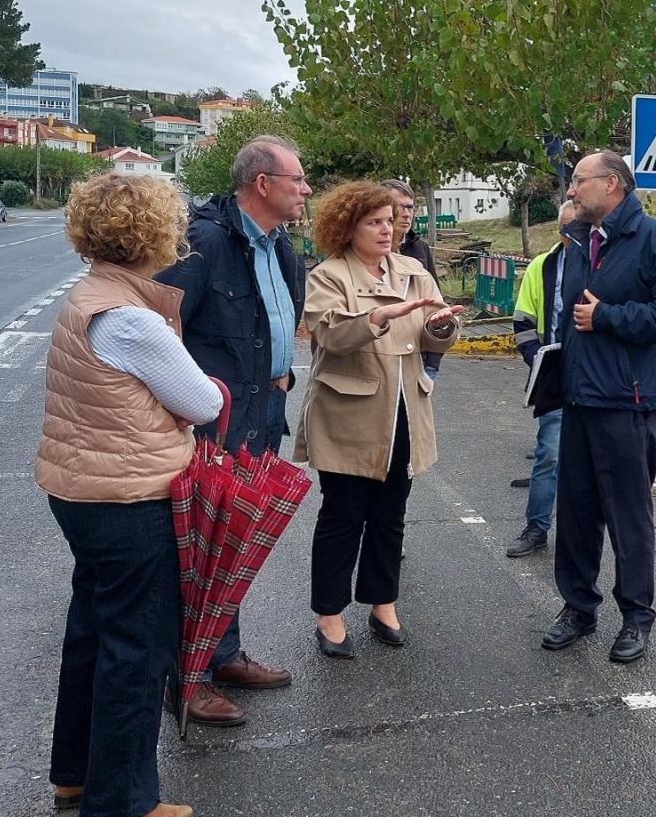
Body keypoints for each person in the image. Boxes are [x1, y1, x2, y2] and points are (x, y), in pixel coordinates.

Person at [36, 173, 221, 817]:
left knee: (92, 635)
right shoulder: (132, 320)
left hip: (84, 488)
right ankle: (123, 803)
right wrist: (216, 393)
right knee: (136, 652)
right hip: (130, 496)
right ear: (151, 232)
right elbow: (198, 400)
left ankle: (77, 776)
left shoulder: (90, 295)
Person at [153, 134, 309, 727]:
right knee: (198, 545)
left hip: (262, 412)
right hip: (212, 419)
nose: (305, 189)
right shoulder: (205, 242)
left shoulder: (284, 246)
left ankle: (222, 654)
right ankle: (186, 681)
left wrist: (281, 381)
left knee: (236, 538)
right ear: (262, 183)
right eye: (296, 179)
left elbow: (278, 322)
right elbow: (161, 332)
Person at [295, 181, 464, 657]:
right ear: (347, 227)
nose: (387, 229)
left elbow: (435, 338)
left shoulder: (413, 270)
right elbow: (329, 335)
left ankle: (382, 603)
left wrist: (442, 326)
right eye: (374, 222)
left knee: (391, 515)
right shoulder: (329, 274)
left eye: (390, 220)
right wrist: (380, 317)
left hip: (405, 411)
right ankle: (329, 614)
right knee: (342, 516)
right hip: (349, 413)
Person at [541, 151, 656, 664]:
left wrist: (608, 317)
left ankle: (636, 617)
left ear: (612, 184)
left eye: (578, 182)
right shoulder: (581, 242)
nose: (570, 192)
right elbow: (568, 317)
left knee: (628, 515)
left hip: (628, 402)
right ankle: (578, 608)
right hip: (581, 397)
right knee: (578, 511)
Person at [506, 201, 576, 557]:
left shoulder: (605, 261)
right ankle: (536, 527)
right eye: (567, 230)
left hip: (597, 378)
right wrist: (539, 362)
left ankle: (580, 535)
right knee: (548, 454)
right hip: (556, 376)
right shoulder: (543, 266)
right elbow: (523, 322)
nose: (572, 236)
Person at [382, 178, 446, 381]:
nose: (407, 213)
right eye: (399, 207)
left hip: (420, 361)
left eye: (410, 207)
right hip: (381, 360)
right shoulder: (366, 251)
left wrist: (433, 362)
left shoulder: (420, 249)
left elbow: (436, 304)